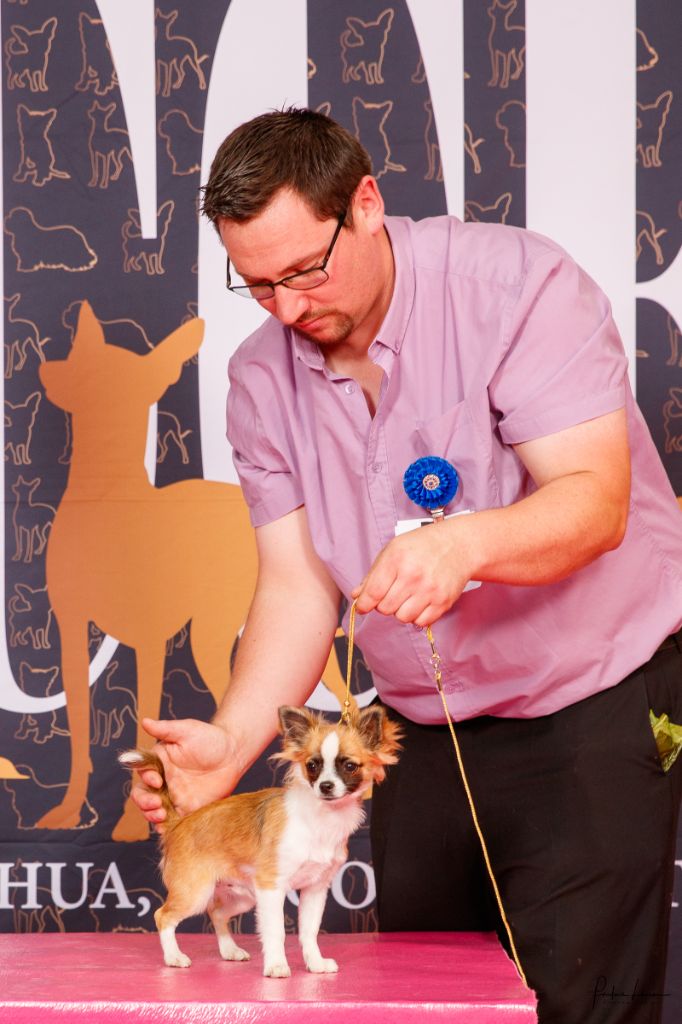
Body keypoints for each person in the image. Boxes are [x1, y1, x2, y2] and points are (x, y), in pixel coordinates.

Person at [131, 108, 682, 1022]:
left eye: (305, 271)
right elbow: (297, 587)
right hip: (418, 734)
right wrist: (231, 742)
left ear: (366, 204)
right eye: (258, 285)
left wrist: (464, 544)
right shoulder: (261, 380)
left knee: (579, 1004)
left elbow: (596, 503)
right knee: (432, 1002)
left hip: (590, 710)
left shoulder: (519, 289)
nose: (289, 309)